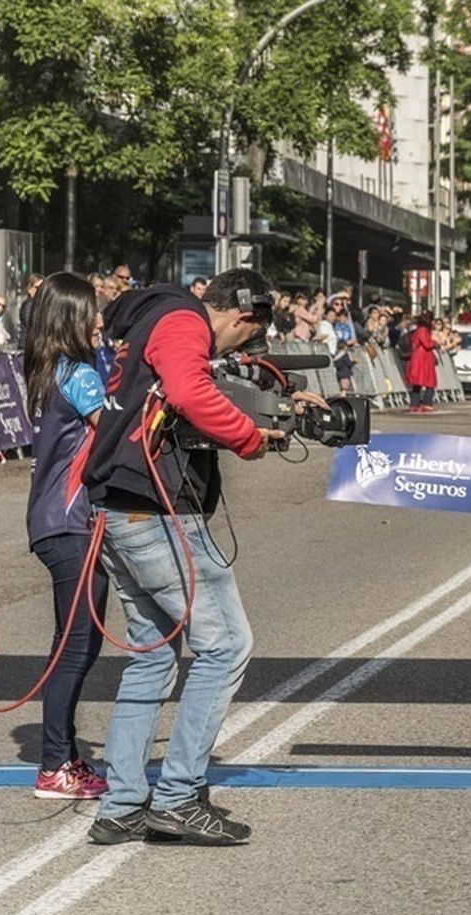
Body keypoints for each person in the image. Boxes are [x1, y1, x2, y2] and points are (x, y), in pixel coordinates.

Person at [83, 268, 307, 845]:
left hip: (118, 505)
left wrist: (276, 407)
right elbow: (188, 391)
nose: (243, 349)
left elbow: (186, 393)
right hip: (157, 510)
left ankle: (123, 804)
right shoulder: (184, 320)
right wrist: (250, 437)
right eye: (248, 337)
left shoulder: (153, 317)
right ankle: (179, 796)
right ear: (242, 315)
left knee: (154, 658)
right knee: (226, 644)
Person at [21, 273, 110, 799]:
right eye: (92, 312)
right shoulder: (78, 376)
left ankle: (63, 754)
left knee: (74, 643)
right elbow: (119, 438)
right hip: (69, 524)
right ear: (71, 319)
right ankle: (55, 764)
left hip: (53, 523)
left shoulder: (49, 370)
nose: (100, 321)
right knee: (77, 647)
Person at [405, 311, 439, 412]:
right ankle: (426, 402)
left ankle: (414, 403)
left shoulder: (418, 330)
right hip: (422, 358)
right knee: (429, 381)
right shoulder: (423, 330)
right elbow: (427, 344)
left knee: (418, 383)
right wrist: (434, 342)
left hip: (420, 357)